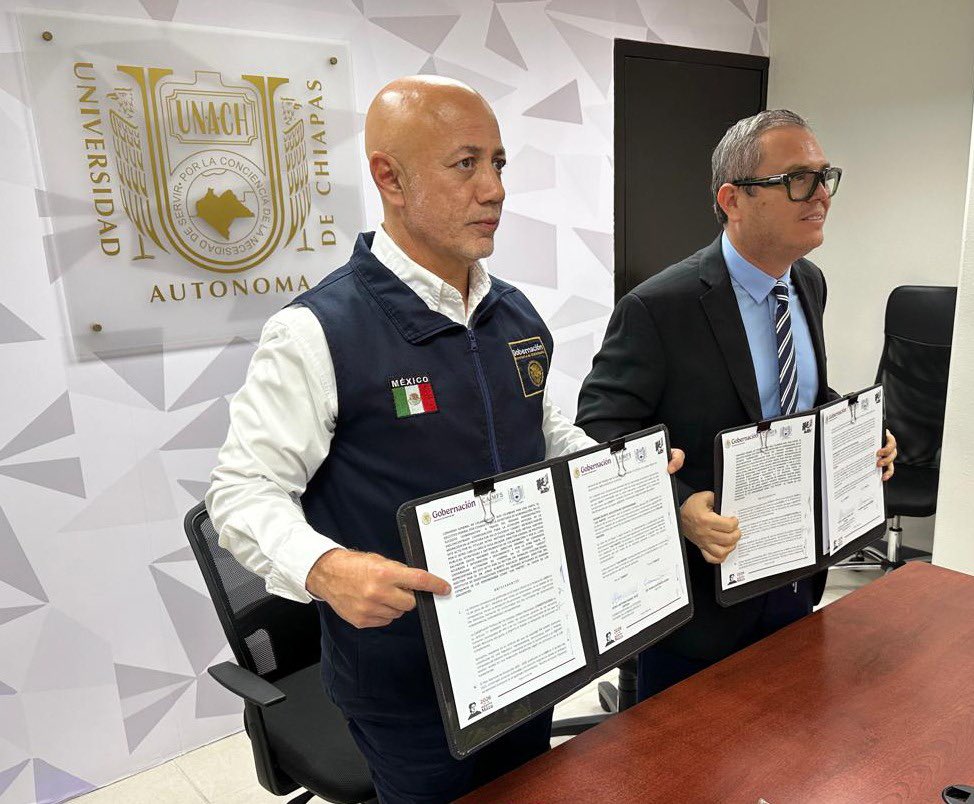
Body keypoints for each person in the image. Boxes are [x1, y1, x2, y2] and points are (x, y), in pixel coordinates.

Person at [207, 75, 682, 803]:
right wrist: (325, 567)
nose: (494, 190)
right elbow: (242, 492)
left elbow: (543, 430)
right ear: (390, 179)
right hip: (406, 683)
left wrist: (617, 470)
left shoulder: (515, 316)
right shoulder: (317, 332)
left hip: (523, 643)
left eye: (498, 163)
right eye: (466, 165)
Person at [576, 109, 897, 701]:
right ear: (733, 199)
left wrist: (858, 430)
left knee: (788, 730)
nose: (821, 194)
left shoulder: (808, 283)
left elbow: (799, 395)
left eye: (825, 176)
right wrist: (678, 505)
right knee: (681, 754)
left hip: (794, 570)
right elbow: (598, 431)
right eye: (797, 179)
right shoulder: (659, 307)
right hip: (699, 603)